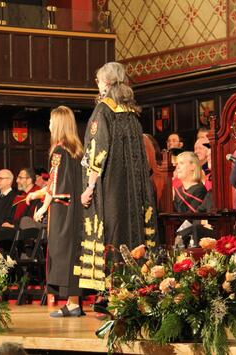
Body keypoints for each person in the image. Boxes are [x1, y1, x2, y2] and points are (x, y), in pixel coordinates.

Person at [80, 62, 158, 291]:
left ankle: (113, 290)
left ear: (105, 82)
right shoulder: (132, 114)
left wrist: (89, 187)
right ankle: (136, 288)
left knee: (113, 234)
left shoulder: (103, 110)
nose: (96, 83)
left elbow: (97, 152)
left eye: (98, 79)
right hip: (135, 190)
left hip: (112, 187)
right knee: (133, 232)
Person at [27, 105, 84, 317]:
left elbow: (54, 185)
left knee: (63, 255)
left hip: (62, 211)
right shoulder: (77, 151)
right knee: (72, 255)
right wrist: (35, 194)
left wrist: (41, 207)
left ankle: (72, 304)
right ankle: (74, 301)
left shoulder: (59, 151)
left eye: (51, 121)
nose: (49, 125)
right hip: (76, 210)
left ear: (58, 124)